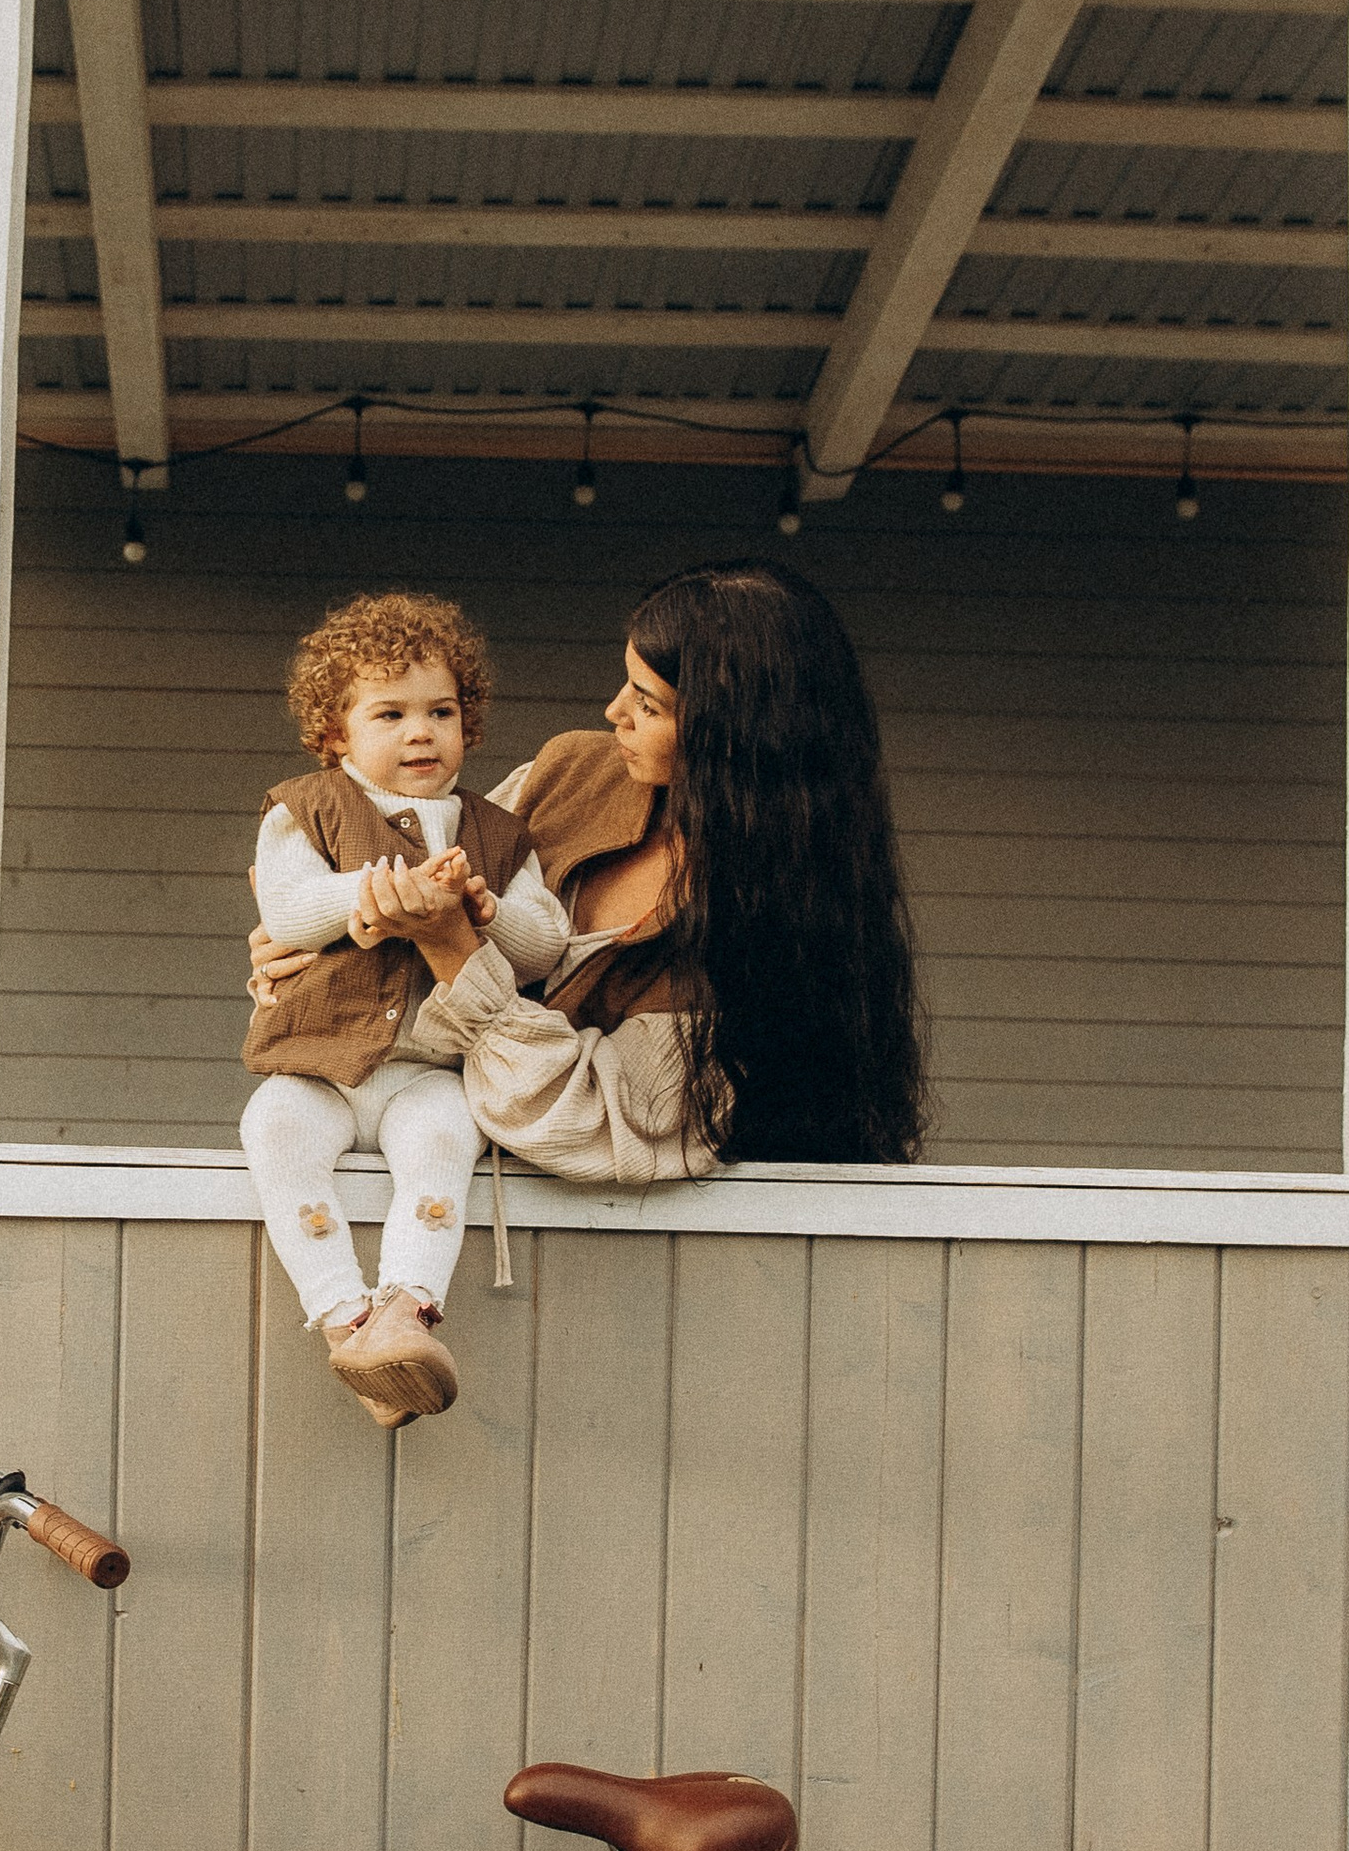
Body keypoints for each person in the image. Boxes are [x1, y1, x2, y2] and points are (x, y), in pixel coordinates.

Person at [249, 558, 925, 1189]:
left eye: (650, 705)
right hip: (395, 1166)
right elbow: (381, 886)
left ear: (735, 740)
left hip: (572, 1238)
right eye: (627, 684)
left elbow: (589, 1123)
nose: (614, 712)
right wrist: (311, 941)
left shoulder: (761, 941)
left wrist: (452, 946)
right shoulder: (571, 772)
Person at [241, 590, 571, 1424]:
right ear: (336, 736)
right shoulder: (305, 809)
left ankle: (407, 1311)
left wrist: (488, 912)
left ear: (470, 723)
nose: (420, 731)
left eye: (441, 711)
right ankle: (347, 1318)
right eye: (389, 713)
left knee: (443, 1143)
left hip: (427, 1068)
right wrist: (376, 890)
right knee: (274, 1130)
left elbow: (547, 944)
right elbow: (287, 910)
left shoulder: (497, 834)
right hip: (318, 1063)